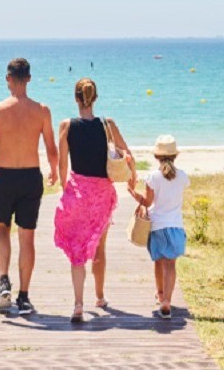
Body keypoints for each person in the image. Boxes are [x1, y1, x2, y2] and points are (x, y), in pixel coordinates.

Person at [0, 58, 59, 315]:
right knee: (27, 236)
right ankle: (24, 296)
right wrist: (54, 172)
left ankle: (3, 281)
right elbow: (51, 148)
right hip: (31, 176)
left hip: (5, 176)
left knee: (1, 229)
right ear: (29, 78)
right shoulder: (42, 111)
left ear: (8, 78)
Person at [54, 78, 136, 322]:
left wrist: (64, 189)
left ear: (76, 99)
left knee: (77, 251)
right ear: (95, 98)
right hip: (102, 195)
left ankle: (78, 304)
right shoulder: (107, 124)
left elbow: (62, 165)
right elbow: (127, 154)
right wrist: (133, 177)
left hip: (78, 193)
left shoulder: (66, 126)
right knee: (99, 248)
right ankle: (99, 297)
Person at [128, 135, 189, 319]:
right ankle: (167, 302)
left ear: (156, 157)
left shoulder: (153, 177)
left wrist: (133, 194)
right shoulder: (183, 176)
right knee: (171, 265)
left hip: (157, 227)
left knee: (159, 261)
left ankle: (160, 293)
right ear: (175, 156)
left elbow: (148, 202)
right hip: (176, 226)